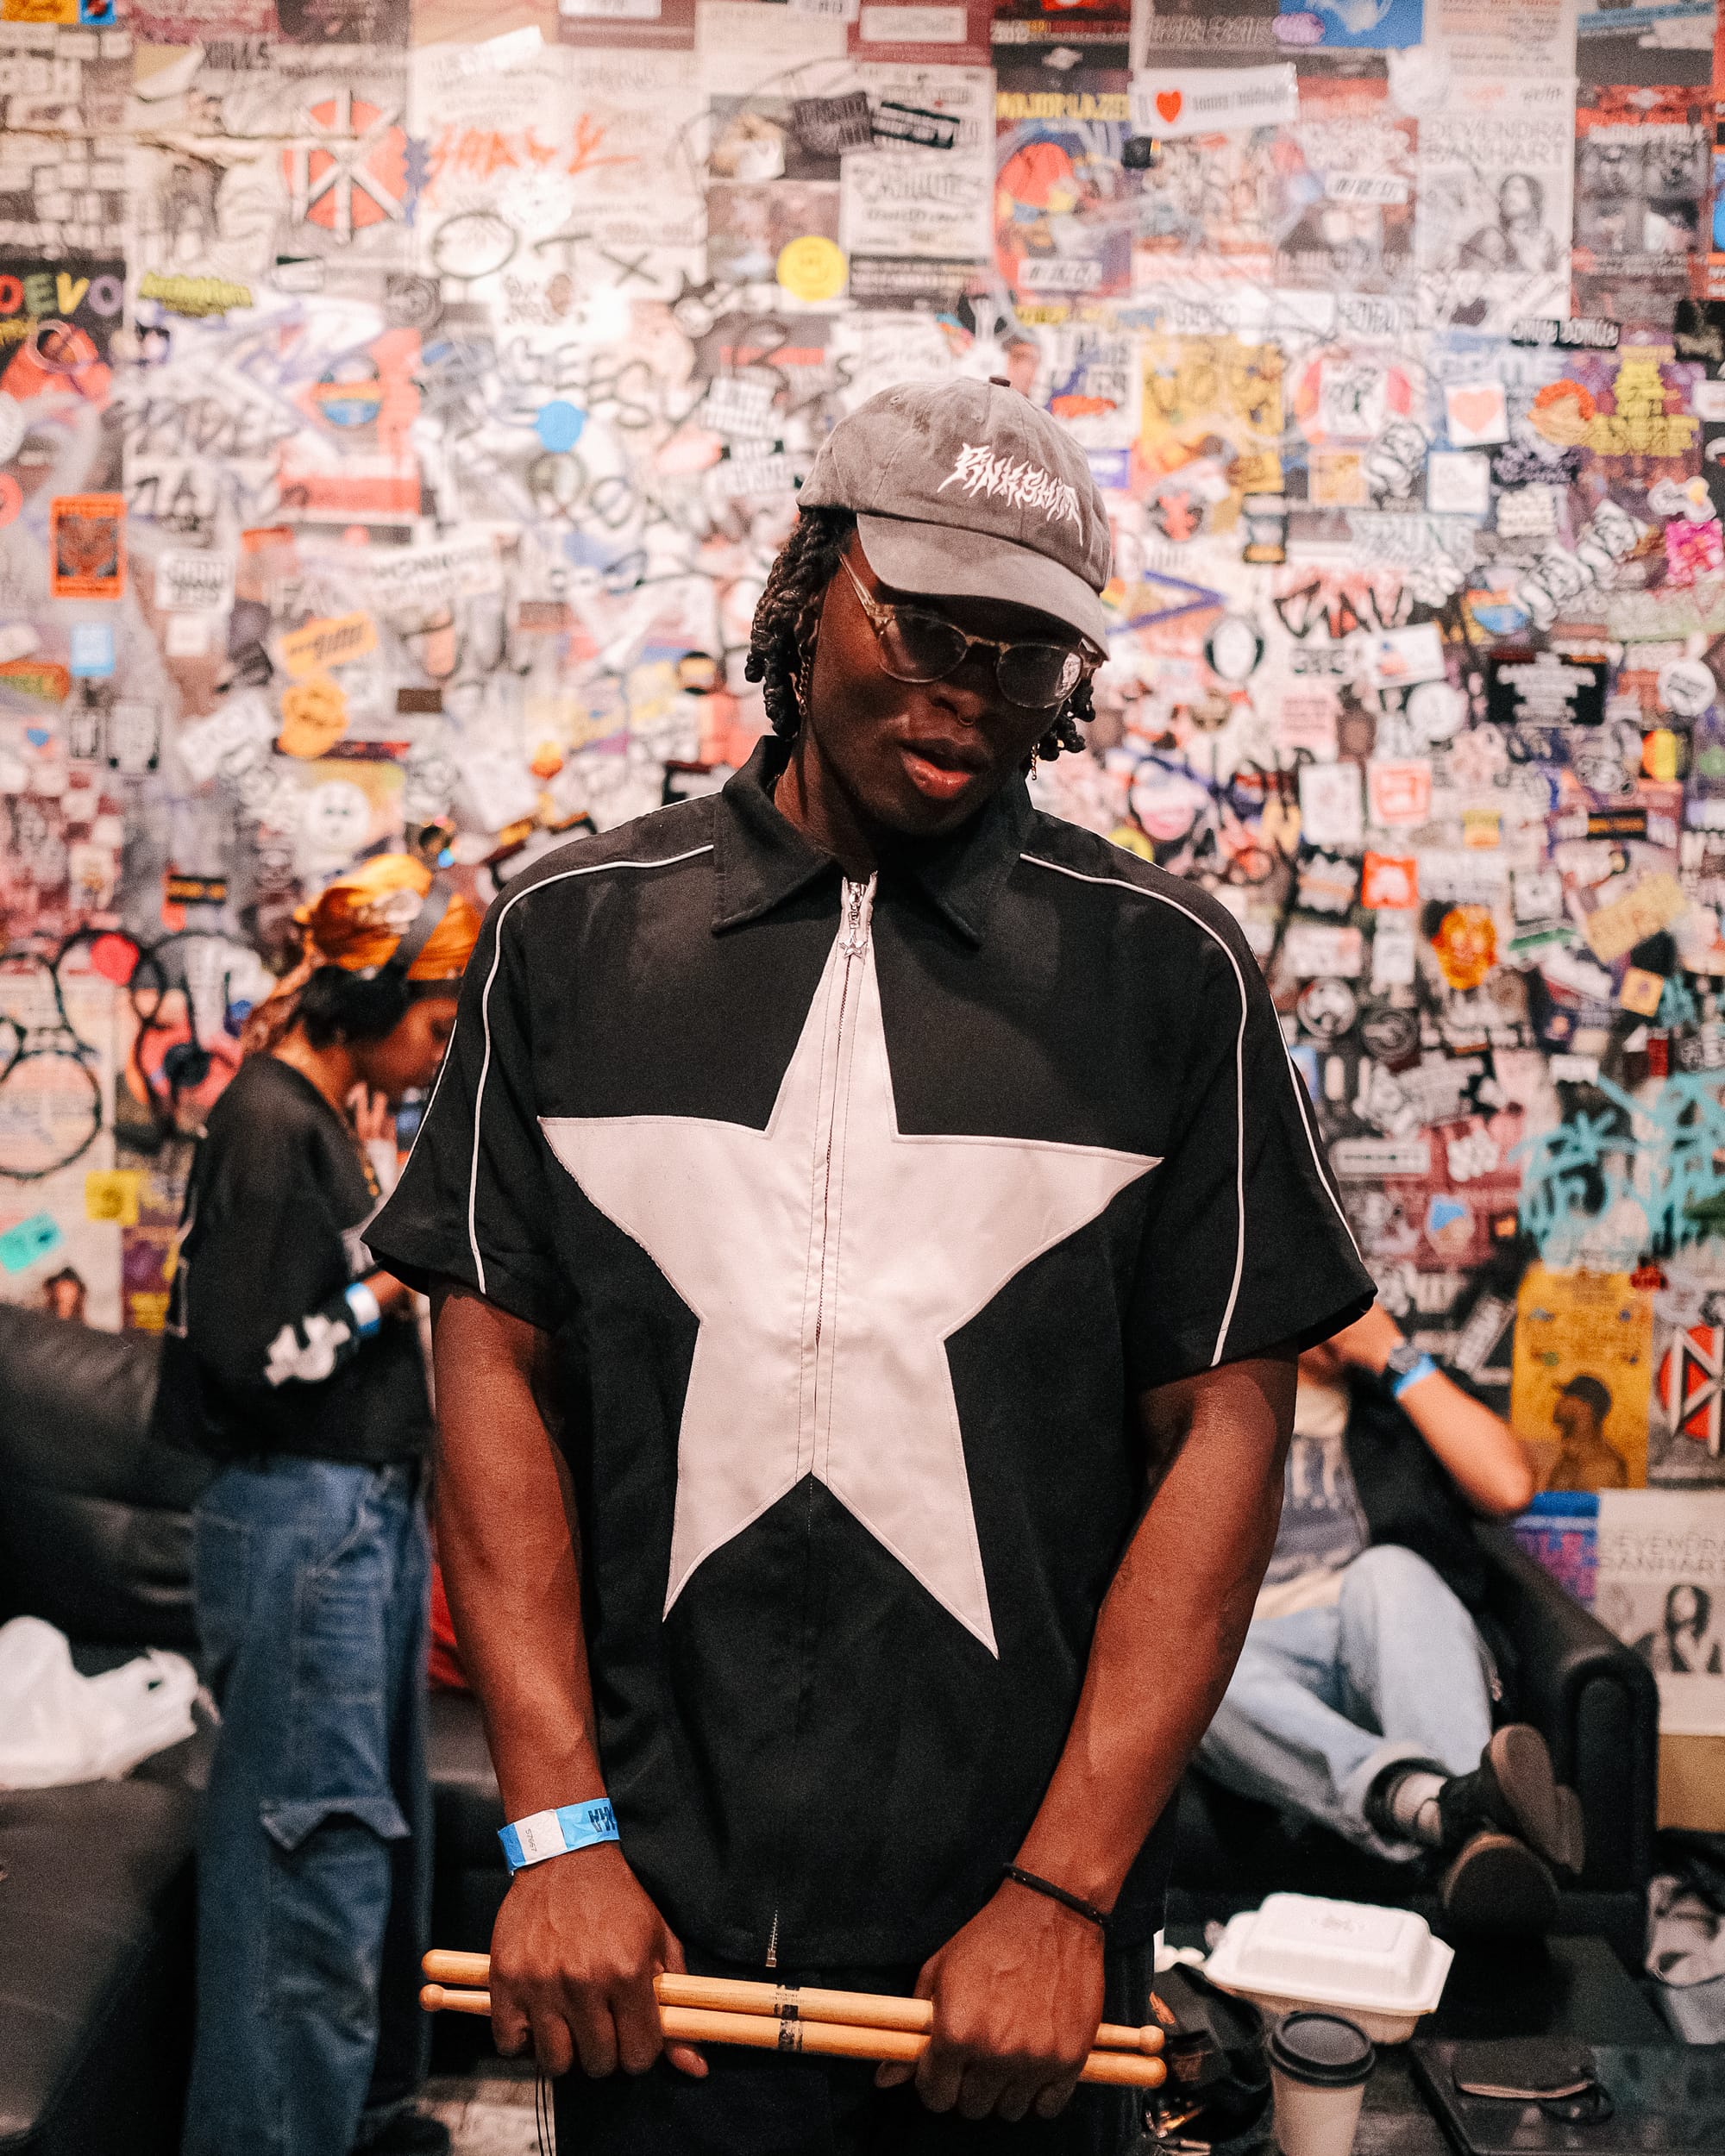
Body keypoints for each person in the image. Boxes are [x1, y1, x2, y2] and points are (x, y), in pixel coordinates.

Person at [367, 377, 1374, 2153]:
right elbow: (491, 1362)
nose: (969, 687)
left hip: (1011, 1974)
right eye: (923, 623)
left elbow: (1224, 1423)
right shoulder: (572, 936)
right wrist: (557, 1832)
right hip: (650, 1961)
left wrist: (1063, 1893)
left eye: (1026, 651)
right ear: (807, 586)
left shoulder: (1163, 970)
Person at [155, 854, 482, 2156]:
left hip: (360, 1517)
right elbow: (251, 1353)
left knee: (369, 1836)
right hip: (305, 1522)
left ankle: (356, 2118)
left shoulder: (322, 1116)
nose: (437, 1048)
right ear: (371, 999)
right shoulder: (266, 1122)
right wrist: (388, 1289)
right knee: (312, 1856)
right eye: (432, 1022)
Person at [1197, 1300, 1584, 1934]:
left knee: (1388, 1571)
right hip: (1261, 1675)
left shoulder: (1394, 1395)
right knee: (1195, 1664)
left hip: (1389, 1645)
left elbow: (1509, 1487)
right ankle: (1458, 1819)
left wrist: (1392, 1356)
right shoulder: (1205, 1400)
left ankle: (1456, 1817)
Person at [1550, 1372, 1627, 1491]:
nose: (1559, 1402)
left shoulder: (1603, 1464)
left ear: (1585, 1408)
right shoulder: (1569, 1456)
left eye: (1566, 1396)